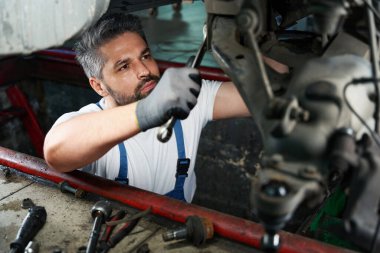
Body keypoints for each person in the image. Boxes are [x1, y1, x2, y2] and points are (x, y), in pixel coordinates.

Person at [43, 13, 250, 202]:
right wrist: (147, 110)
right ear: (99, 86)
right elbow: (55, 152)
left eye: (145, 56)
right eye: (124, 66)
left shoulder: (185, 96)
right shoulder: (89, 122)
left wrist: (250, 40)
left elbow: (258, 97)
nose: (144, 70)